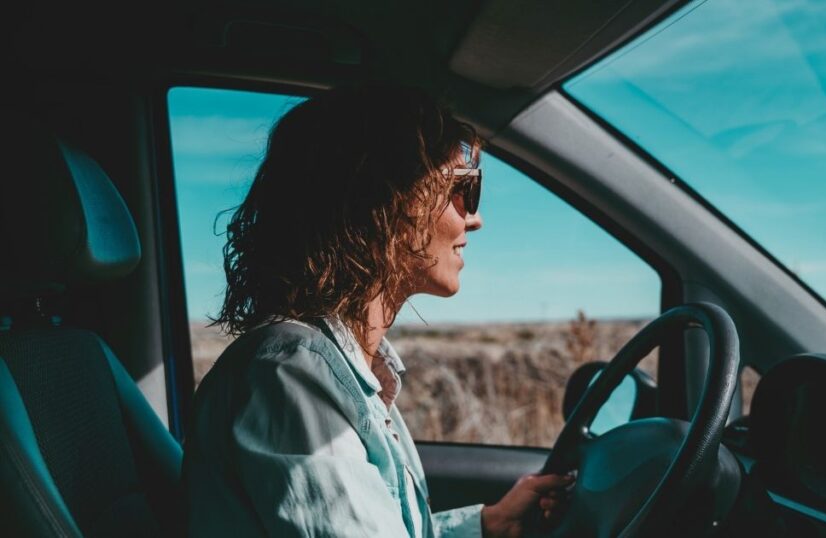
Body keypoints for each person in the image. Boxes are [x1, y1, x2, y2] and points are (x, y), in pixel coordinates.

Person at [182, 82, 572, 537]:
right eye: (463, 189)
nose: (475, 218)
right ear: (385, 202)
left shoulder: (340, 368)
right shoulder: (289, 373)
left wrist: (487, 525)